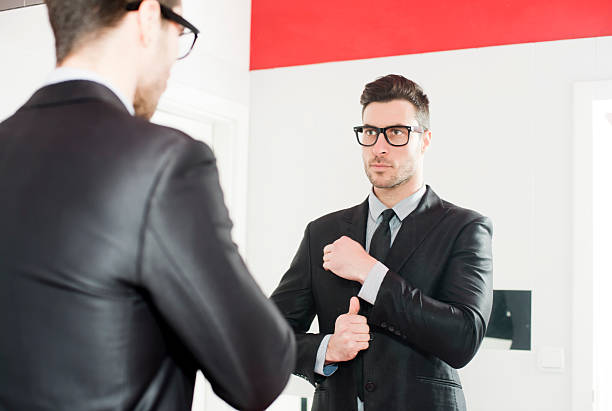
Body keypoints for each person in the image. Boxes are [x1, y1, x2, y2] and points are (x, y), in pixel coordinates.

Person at [0, 1, 295, 410]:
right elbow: (260, 372)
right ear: (148, 19)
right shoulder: (164, 163)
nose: (174, 60)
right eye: (180, 35)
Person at [270, 74, 493, 411]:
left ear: (425, 140)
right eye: (370, 132)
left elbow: (463, 338)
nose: (380, 147)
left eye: (397, 133)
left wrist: (371, 274)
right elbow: (271, 337)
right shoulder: (322, 232)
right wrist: (325, 349)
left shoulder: (465, 228)